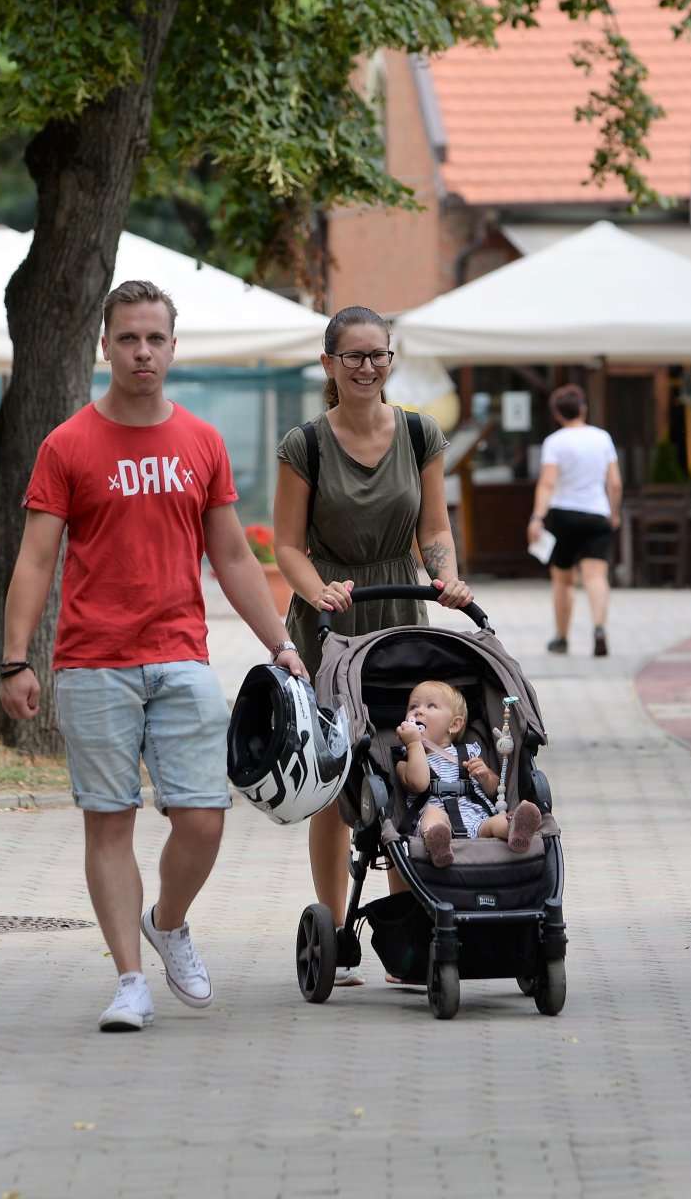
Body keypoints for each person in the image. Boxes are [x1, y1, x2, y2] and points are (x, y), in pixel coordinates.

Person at [0, 279, 306, 1033]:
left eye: (155, 338)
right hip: (92, 660)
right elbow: (37, 559)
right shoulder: (67, 444)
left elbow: (232, 555)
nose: (142, 351)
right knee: (108, 820)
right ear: (105, 345)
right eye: (129, 338)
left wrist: (281, 643)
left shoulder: (200, 440)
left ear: (174, 346)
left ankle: (166, 921)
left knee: (203, 817)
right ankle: (129, 980)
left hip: (181, 655)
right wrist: (14, 659)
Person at [272, 306, 474, 984]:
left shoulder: (420, 434)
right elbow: (285, 546)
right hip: (332, 619)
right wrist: (318, 589)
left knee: (404, 765)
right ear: (329, 364)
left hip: (402, 611)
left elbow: (435, 529)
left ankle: (404, 936)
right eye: (352, 356)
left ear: (392, 358)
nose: (366, 367)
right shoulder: (305, 444)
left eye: (377, 355)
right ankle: (335, 934)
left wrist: (446, 578)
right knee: (339, 781)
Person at [394, 681, 543, 867]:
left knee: (495, 822)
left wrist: (486, 776)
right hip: (438, 819)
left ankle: (516, 830)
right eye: (413, 706)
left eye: (430, 706)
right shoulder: (406, 760)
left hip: (477, 819)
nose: (418, 711)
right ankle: (439, 843)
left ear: (454, 725)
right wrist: (414, 744)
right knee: (433, 814)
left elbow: (496, 790)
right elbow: (419, 783)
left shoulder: (470, 752)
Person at [525, 384, 621, 656]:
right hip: (597, 514)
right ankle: (599, 628)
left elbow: (547, 483)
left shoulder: (555, 442)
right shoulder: (602, 438)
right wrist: (613, 512)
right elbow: (614, 483)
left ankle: (561, 637)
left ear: (558, 414)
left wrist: (537, 517)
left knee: (563, 580)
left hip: (563, 515)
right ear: (583, 409)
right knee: (596, 576)